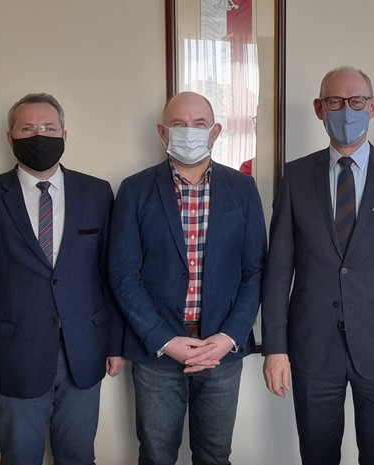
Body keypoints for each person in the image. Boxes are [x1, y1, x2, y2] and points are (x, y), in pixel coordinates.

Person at [261, 66, 374, 465]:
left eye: (356, 101)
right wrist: (275, 348)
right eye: (335, 102)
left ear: (372, 106)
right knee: (317, 456)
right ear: (319, 108)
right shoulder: (295, 176)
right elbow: (278, 272)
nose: (346, 110)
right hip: (312, 349)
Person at [0, 93, 125, 465]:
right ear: (10, 138)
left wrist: (115, 344)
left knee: (79, 457)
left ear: (64, 134)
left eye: (48, 127)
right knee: (19, 457)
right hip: (13, 358)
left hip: (83, 354)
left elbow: (109, 275)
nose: (39, 135)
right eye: (27, 128)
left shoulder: (96, 193)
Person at [109, 91, 266, 465]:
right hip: (156, 351)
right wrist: (163, 339)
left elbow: (254, 272)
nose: (189, 131)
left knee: (215, 456)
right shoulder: (134, 189)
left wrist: (228, 338)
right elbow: (124, 275)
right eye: (178, 124)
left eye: (199, 124)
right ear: (162, 131)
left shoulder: (243, 188)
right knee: (156, 455)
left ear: (215, 132)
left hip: (220, 350)